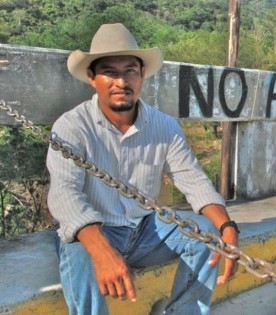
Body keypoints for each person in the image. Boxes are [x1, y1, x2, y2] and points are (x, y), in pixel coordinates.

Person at [46, 23, 239, 315]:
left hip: (147, 230)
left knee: (208, 234)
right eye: (109, 71)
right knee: (78, 249)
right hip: (97, 230)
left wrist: (227, 227)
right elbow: (64, 195)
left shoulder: (164, 126)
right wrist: (103, 251)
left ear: (142, 75)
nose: (121, 82)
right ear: (91, 78)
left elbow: (194, 181)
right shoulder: (72, 127)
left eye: (130, 71)